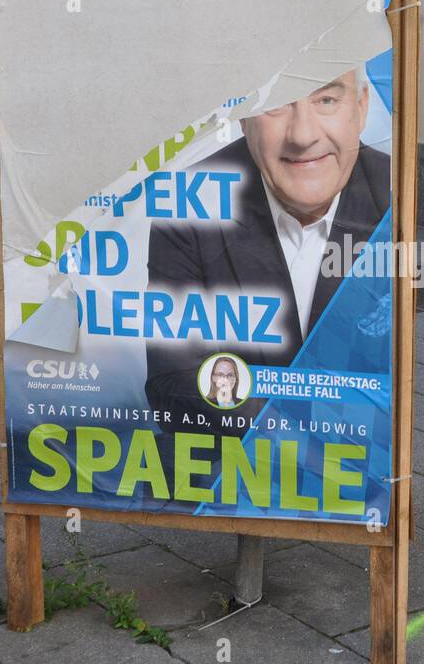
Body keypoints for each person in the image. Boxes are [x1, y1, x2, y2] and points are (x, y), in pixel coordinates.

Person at [144, 66, 389, 425]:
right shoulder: (190, 202)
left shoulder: (397, 199)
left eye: (326, 99)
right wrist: (311, 436)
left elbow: (407, 380)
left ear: (361, 107)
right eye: (276, 103)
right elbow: (172, 384)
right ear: (244, 118)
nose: (303, 135)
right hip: (234, 469)